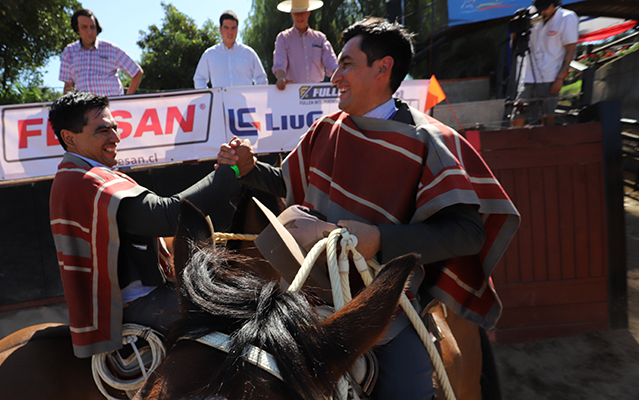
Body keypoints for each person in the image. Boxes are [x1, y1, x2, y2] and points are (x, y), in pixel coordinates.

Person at [217, 17, 520, 400]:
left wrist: (380, 239)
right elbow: (287, 183)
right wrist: (248, 168)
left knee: (406, 387)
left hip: (385, 311)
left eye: (346, 64)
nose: (335, 76)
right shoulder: (325, 129)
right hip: (303, 296)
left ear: (383, 68)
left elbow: (468, 234)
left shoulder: (427, 141)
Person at [48, 91, 239, 358]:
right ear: (70, 137)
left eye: (114, 127)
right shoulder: (84, 180)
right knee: (240, 324)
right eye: (103, 131)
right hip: (137, 306)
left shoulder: (84, 175)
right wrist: (229, 172)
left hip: (149, 296)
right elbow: (168, 217)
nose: (115, 137)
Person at [513, 0, 578, 126]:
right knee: (518, 112)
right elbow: (516, 45)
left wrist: (560, 78)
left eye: (546, 8)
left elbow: (571, 49)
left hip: (550, 75)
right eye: (539, 8)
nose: (542, 12)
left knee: (547, 115)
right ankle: (515, 140)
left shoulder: (567, 18)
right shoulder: (530, 14)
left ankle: (548, 142)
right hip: (528, 75)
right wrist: (516, 31)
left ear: (555, 4)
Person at [59, 9, 143, 96]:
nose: (90, 31)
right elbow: (69, 86)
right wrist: (67, 108)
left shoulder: (110, 49)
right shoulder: (69, 52)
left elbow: (137, 72)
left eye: (92, 27)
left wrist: (125, 101)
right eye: (85, 27)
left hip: (112, 105)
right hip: (86, 107)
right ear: (77, 29)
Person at [272, 0, 338, 90]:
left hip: (317, 92)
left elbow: (331, 62)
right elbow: (279, 62)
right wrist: (281, 78)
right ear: (292, 14)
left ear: (308, 13)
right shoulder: (283, 38)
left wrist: (339, 78)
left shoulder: (320, 38)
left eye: (302, 13)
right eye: (296, 13)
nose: (299, 17)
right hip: (292, 91)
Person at [193, 10, 267, 89]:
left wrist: (255, 98)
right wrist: (210, 98)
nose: (230, 32)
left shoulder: (249, 53)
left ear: (237, 29)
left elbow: (261, 79)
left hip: (245, 101)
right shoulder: (209, 55)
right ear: (220, 29)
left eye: (233, 28)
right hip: (219, 101)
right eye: (226, 28)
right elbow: (199, 80)